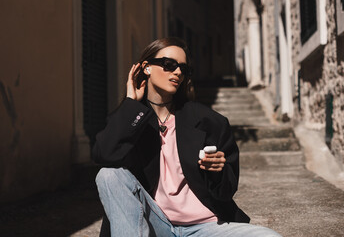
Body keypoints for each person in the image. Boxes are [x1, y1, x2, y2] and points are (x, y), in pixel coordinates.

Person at [93, 37, 281, 236]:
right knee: (108, 174)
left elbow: (225, 192)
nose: (177, 72)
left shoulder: (208, 121)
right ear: (146, 68)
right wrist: (131, 105)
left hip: (205, 228)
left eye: (183, 68)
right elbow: (104, 154)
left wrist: (218, 170)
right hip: (155, 225)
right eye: (169, 65)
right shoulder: (132, 118)